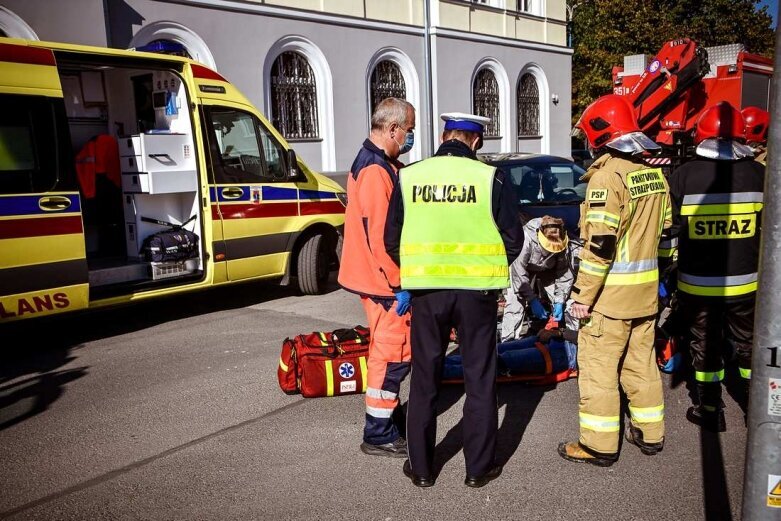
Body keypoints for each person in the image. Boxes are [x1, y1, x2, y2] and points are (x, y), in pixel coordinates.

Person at [385, 112, 523, 488]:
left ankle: (422, 469)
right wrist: (486, 269)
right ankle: (478, 470)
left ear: (445, 135)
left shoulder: (410, 176)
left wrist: (418, 271)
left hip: (426, 294)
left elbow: (391, 239)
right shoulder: (490, 177)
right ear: (476, 141)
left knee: (425, 379)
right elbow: (514, 239)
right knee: (479, 379)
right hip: (477, 294)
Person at [559, 94, 670, 467]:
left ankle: (598, 445)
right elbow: (667, 233)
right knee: (642, 365)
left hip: (610, 300)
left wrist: (582, 296)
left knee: (600, 372)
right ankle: (650, 433)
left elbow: (601, 245)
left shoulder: (608, 176)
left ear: (599, 134)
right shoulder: (653, 174)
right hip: (645, 296)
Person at [669, 101, 765, 432]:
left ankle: (710, 408)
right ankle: (759, 409)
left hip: (697, 285)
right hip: (748, 285)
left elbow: (669, 232)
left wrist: (668, 269)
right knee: (749, 344)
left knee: (704, 345)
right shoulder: (759, 174)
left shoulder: (683, 176)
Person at [337, 97, 416, 458]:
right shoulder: (375, 170)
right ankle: (379, 433)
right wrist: (400, 284)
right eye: (409, 131)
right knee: (392, 355)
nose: (410, 137)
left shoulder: (378, 163)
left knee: (385, 353)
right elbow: (383, 237)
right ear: (392, 129)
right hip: (383, 283)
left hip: (373, 278)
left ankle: (385, 421)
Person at [500, 215, 574, 342]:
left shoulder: (563, 242)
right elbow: (519, 276)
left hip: (548, 270)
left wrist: (559, 300)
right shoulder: (525, 240)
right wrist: (532, 300)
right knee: (515, 304)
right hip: (523, 270)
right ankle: (508, 342)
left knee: (568, 302)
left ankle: (570, 337)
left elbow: (564, 275)